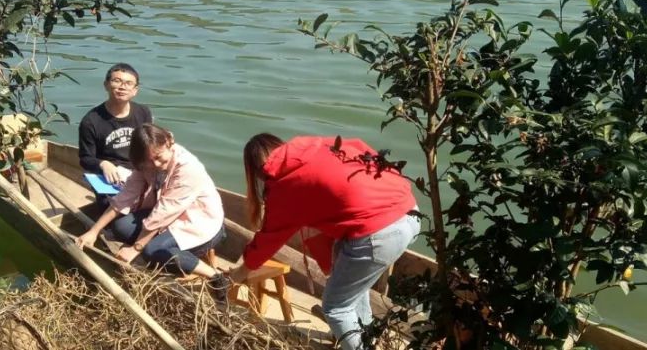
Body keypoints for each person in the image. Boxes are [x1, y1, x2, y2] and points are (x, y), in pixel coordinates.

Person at [228, 134, 420, 350]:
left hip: (379, 232)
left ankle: (357, 343)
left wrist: (237, 275)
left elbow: (267, 241)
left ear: (255, 171)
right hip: (410, 211)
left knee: (335, 307)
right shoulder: (318, 146)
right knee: (351, 282)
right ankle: (360, 336)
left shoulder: (284, 186)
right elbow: (365, 152)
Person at [74, 123, 230, 299]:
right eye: (149, 160)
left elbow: (163, 213)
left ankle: (216, 277)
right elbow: (125, 197)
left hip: (199, 221)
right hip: (168, 217)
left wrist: (136, 248)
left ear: (169, 142)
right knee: (120, 227)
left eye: (158, 157)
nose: (155, 164)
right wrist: (94, 231)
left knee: (152, 251)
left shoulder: (188, 168)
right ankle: (167, 252)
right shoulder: (146, 163)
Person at [78, 63, 153, 187]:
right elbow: (85, 159)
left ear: (135, 90)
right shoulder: (91, 121)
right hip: (110, 177)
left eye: (128, 83)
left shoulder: (143, 112)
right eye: (117, 81)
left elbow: (150, 145)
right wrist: (103, 164)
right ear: (106, 85)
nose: (122, 87)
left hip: (139, 172)